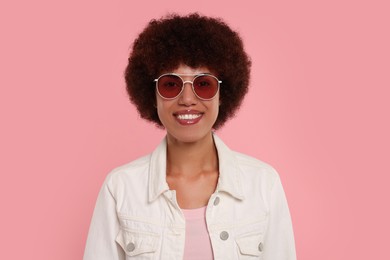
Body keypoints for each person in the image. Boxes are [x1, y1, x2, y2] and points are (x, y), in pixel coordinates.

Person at [84, 13, 296, 260]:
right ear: (152, 95)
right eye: (171, 85)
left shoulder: (263, 184)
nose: (186, 99)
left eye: (203, 84)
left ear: (222, 93)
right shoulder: (120, 188)